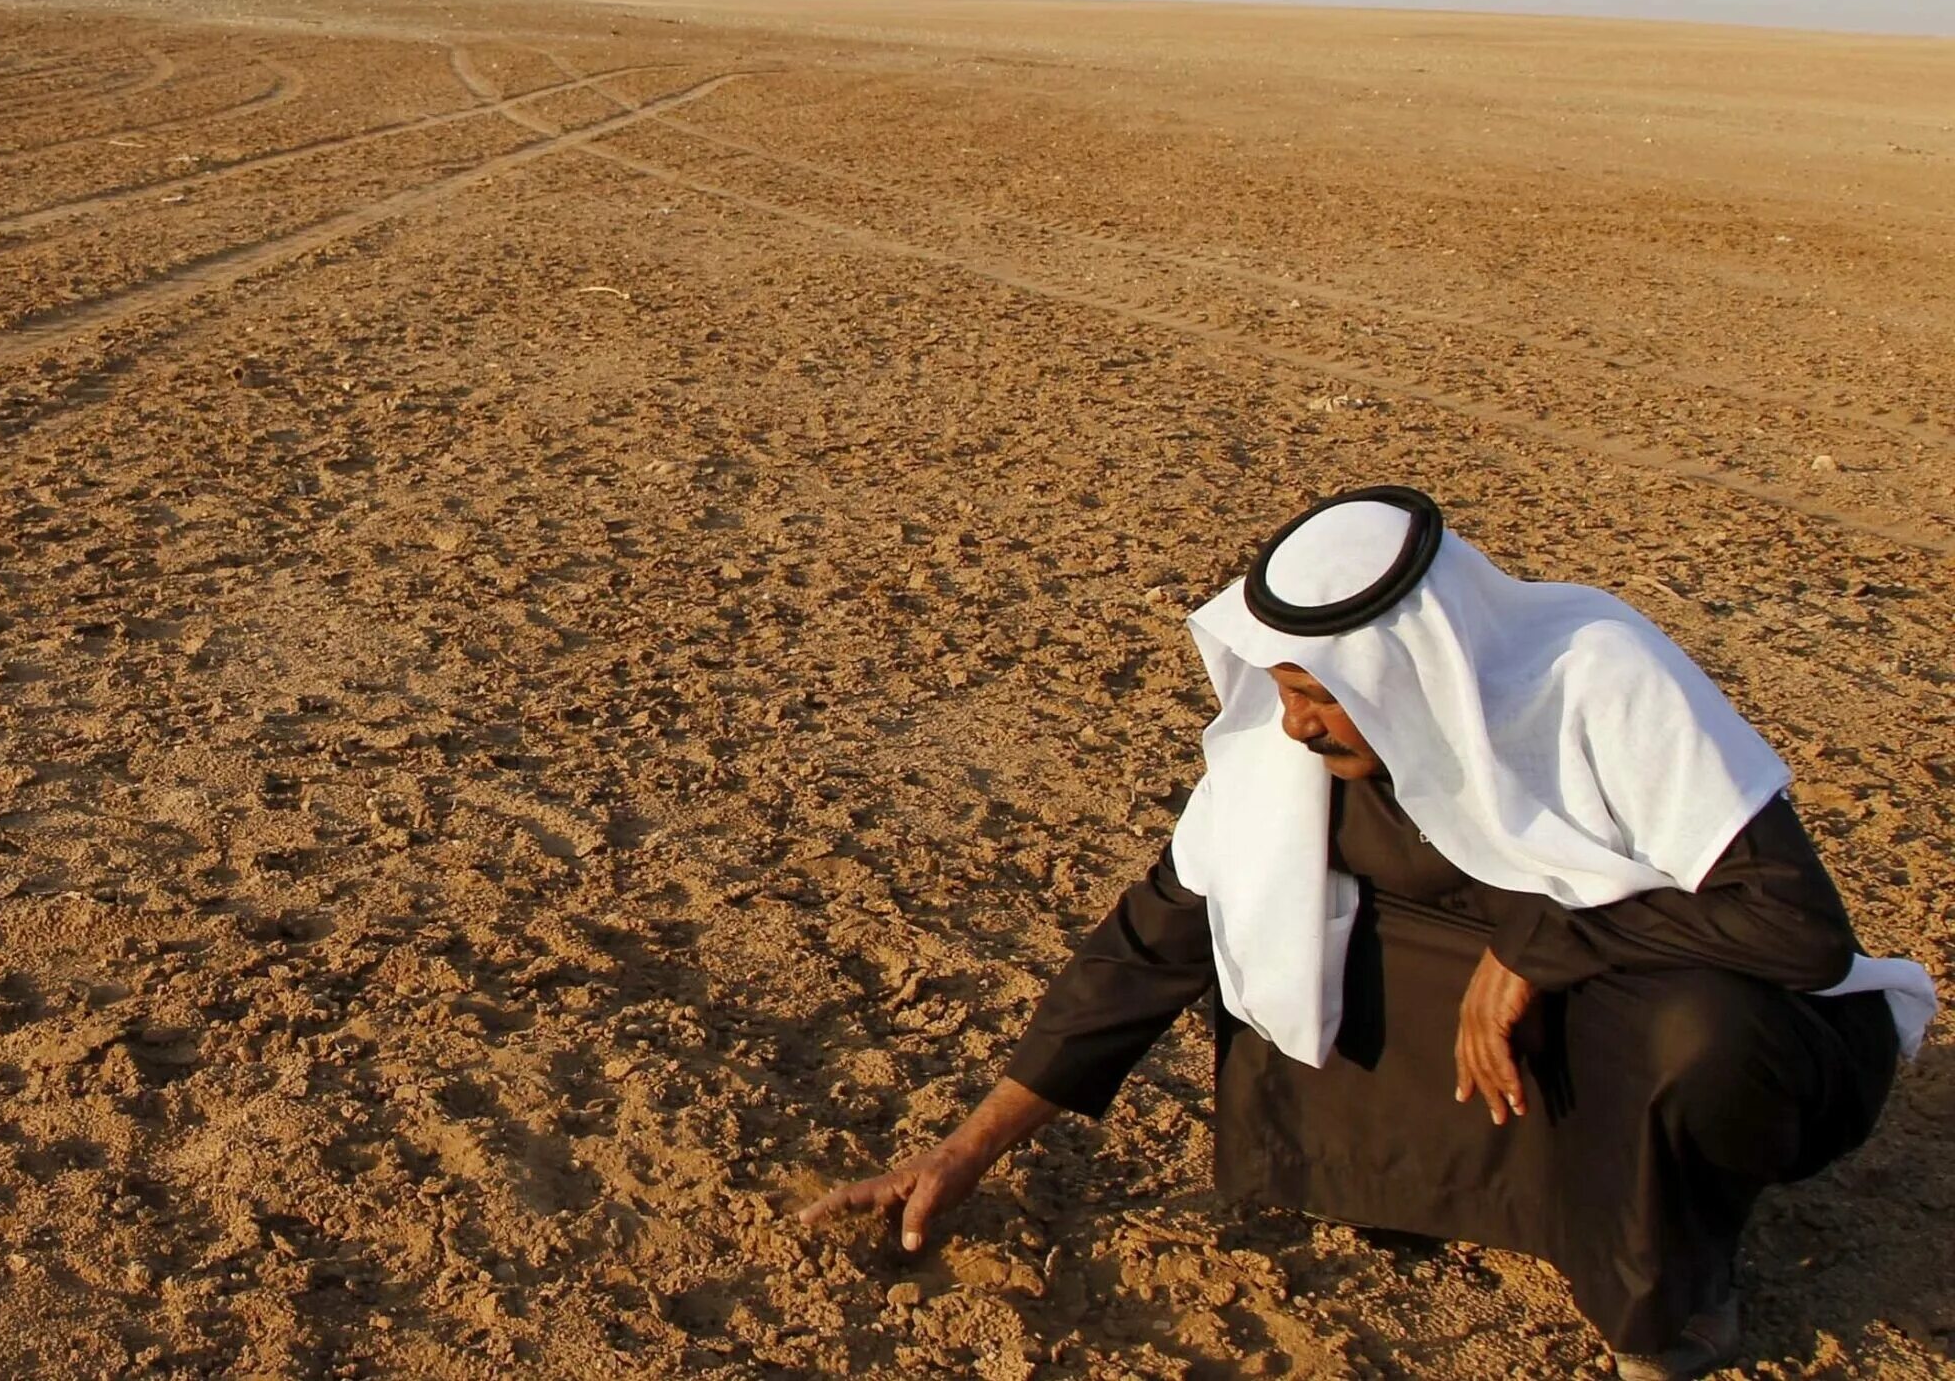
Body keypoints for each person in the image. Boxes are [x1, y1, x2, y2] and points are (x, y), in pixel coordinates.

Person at [800, 487, 1935, 1380]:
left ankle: (1673, 1294)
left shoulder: (1593, 675)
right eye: (1282, 685)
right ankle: (1470, 1191)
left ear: (1406, 677)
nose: (1292, 723)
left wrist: (1545, 940)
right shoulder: (1292, 762)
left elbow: (1794, 932)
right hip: (1539, 1022)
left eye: (1319, 693)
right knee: (1288, 920)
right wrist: (964, 1151)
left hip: (1754, 1036)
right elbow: (1146, 951)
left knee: (1701, 1033)